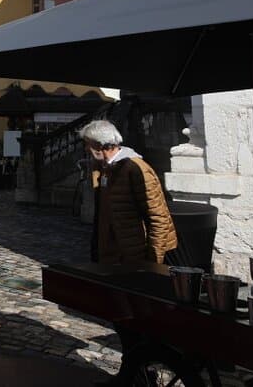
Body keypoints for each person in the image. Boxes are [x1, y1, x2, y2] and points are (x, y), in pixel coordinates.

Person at [82, 119, 177, 386]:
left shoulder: (137, 168)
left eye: (88, 146)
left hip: (134, 260)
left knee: (135, 322)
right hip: (113, 259)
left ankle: (139, 374)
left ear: (101, 146)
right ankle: (133, 372)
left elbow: (158, 217)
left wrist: (153, 263)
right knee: (122, 319)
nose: (87, 152)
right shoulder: (106, 171)